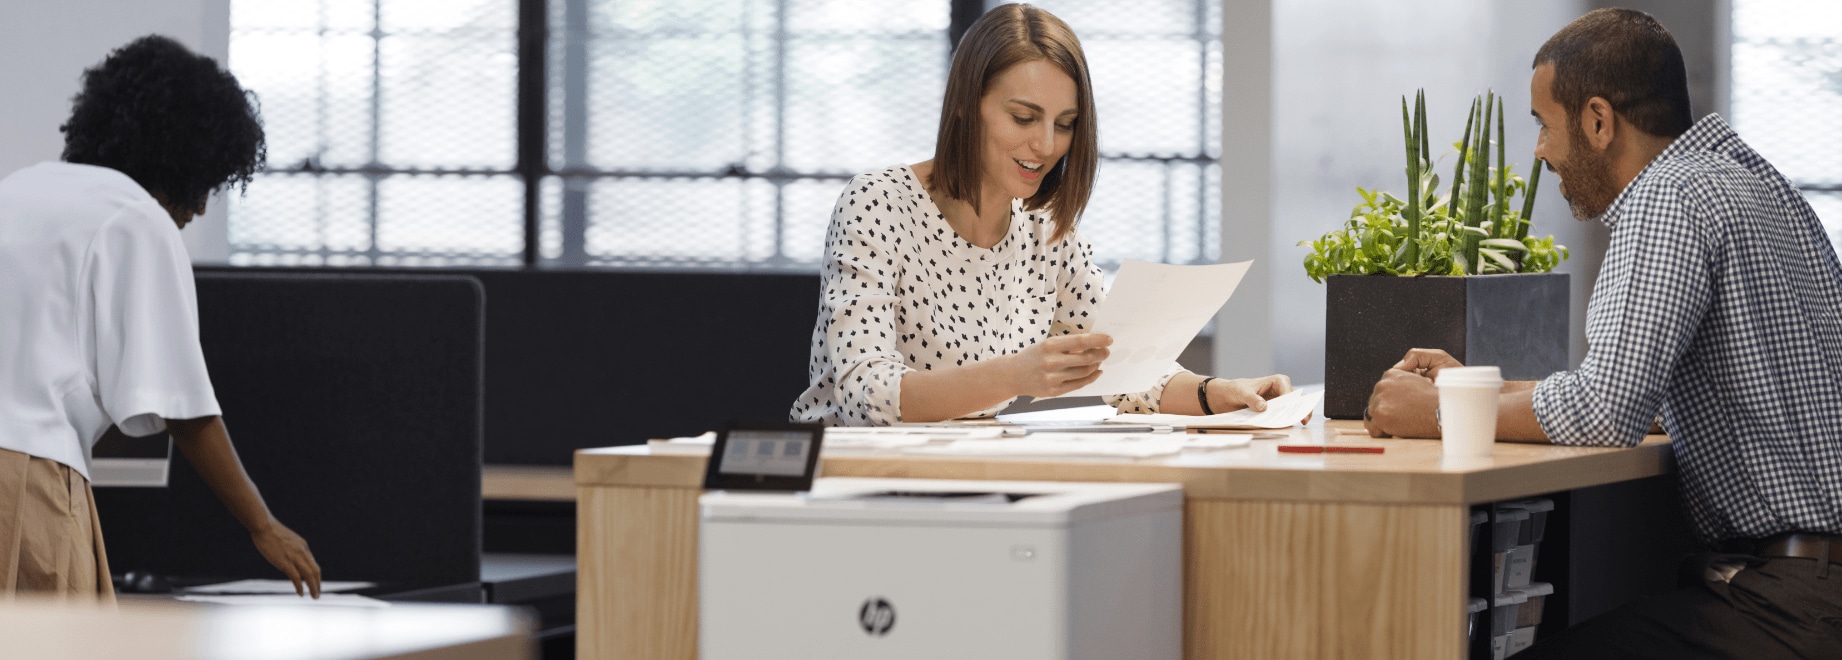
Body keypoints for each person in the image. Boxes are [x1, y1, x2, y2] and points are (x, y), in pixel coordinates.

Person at [1363, 9, 1842, 658]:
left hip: (1790, 604)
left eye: (1543, 125)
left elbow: (1604, 412)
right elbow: (1628, 390)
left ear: (1596, 120)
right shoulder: (1758, 186)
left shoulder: (1667, 196)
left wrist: (1438, 413)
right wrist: (1481, 386)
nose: (1539, 152)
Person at [789, 4, 1294, 426]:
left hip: (964, 475)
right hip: (848, 476)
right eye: (1023, 117)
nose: (1047, 145)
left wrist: (1219, 393)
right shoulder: (877, 203)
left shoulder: (1046, 224)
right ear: (966, 105)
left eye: (1066, 124)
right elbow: (867, 397)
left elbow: (1122, 370)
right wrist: (1016, 374)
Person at [0, 35, 323, 600]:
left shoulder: (16, 190)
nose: (199, 209)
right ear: (183, 155)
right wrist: (262, 524)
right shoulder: (135, 219)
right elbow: (184, 409)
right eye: (206, 185)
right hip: (25, 483)